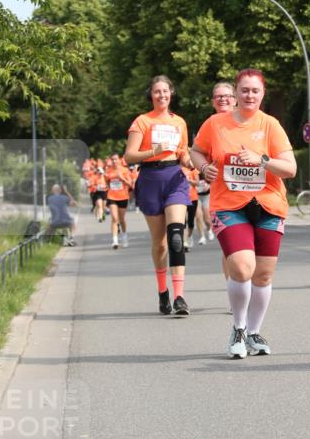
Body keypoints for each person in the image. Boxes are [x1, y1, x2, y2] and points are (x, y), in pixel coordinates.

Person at [190, 69, 297, 358]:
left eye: (255, 91)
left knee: (263, 275)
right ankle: (238, 328)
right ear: (236, 93)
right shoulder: (216, 124)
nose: (249, 95)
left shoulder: (271, 125)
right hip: (229, 204)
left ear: (263, 94)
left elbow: (290, 168)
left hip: (269, 205)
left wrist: (262, 160)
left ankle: (254, 331)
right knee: (241, 267)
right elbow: (195, 151)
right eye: (245, 90)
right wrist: (203, 168)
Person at [125, 75, 193, 316]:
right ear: (151, 95)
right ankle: (163, 292)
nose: (162, 95)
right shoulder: (142, 122)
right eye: (157, 92)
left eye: (165, 91)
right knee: (160, 244)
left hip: (175, 177)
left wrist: (190, 161)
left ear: (171, 93)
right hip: (151, 179)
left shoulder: (180, 122)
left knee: (176, 236)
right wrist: (152, 151)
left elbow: (183, 152)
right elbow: (129, 156)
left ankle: (180, 297)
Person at [105, 153, 133, 249]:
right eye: (112, 159)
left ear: (119, 160)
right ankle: (115, 240)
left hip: (123, 197)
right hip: (112, 197)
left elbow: (130, 184)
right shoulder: (108, 171)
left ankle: (124, 236)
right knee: (114, 218)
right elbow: (107, 183)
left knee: (121, 220)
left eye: (116, 159)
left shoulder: (125, 170)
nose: (114, 161)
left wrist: (122, 179)